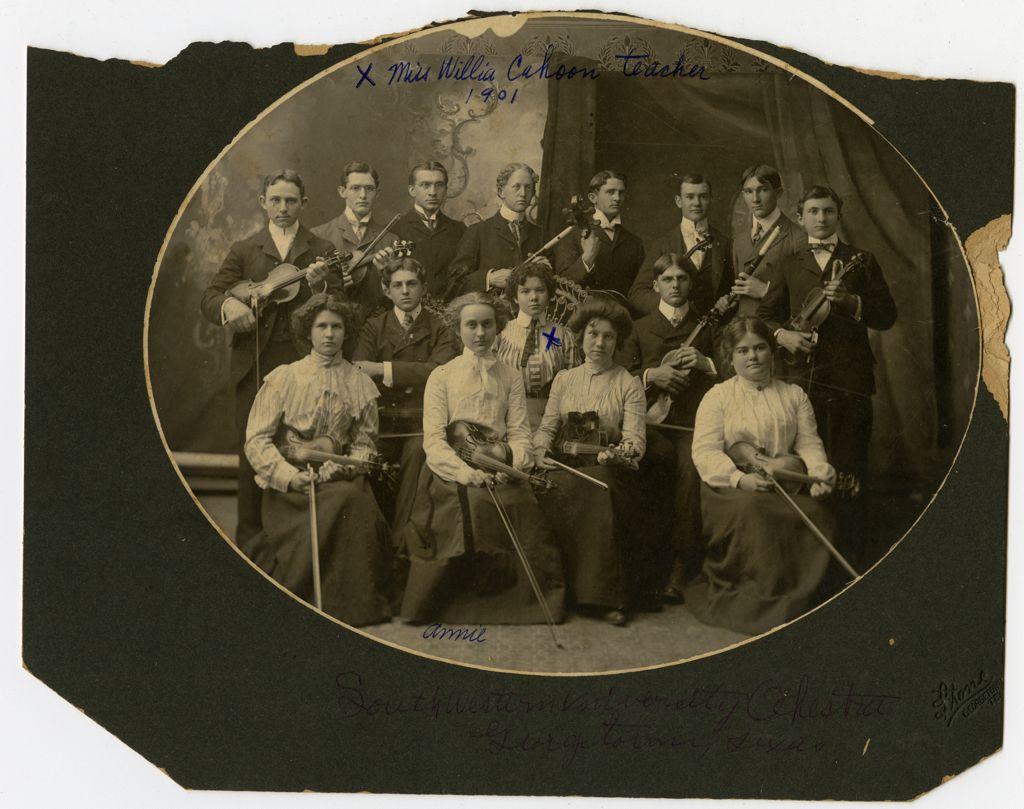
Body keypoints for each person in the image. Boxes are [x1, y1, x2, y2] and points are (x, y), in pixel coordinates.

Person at [399, 292, 566, 625]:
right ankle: (461, 602)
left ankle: (520, 603)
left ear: (498, 327)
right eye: (471, 325)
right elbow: (434, 441)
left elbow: (520, 434)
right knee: (474, 504)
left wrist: (512, 465)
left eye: (487, 325)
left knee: (520, 505)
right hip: (451, 469)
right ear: (457, 328)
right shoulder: (442, 376)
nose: (480, 333)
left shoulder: (510, 375)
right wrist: (465, 473)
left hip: (499, 462)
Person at [199, 169, 339, 547]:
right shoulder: (246, 249)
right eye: (275, 200)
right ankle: (251, 544)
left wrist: (321, 286)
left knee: (302, 447)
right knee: (253, 451)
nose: (283, 207)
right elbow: (210, 296)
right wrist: (230, 305)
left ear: (303, 204)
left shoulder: (322, 248)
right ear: (263, 202)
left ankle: (296, 546)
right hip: (254, 366)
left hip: (303, 364)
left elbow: (340, 305)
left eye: (291, 200)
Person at [756, 184, 896, 547]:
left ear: (839, 215)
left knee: (850, 466)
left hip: (851, 379)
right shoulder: (788, 262)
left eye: (829, 211)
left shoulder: (862, 259)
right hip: (802, 379)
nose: (821, 218)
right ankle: (810, 553)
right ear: (800, 217)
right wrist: (783, 336)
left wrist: (851, 302)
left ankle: (849, 553)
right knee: (806, 463)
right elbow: (764, 316)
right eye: (814, 211)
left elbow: (887, 316)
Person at [243, 294, 392, 627]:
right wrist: (288, 476)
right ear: (307, 332)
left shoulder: (359, 383)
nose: (329, 334)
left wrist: (341, 467)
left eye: (336, 326)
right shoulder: (285, 377)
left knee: (353, 499)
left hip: (339, 477)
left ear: (346, 331)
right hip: (292, 483)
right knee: (341, 501)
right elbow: (257, 440)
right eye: (321, 326)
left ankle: (350, 603)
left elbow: (364, 444)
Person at [686, 317, 837, 636]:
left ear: (772, 352)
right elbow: (705, 452)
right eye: (742, 351)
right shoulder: (718, 397)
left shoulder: (794, 395)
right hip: (728, 488)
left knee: (818, 513)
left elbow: (808, 443)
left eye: (759, 348)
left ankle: (798, 601)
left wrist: (819, 472)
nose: (752, 356)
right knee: (753, 509)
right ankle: (759, 601)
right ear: (730, 358)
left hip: (782, 483)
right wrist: (740, 480)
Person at [533, 298, 647, 626]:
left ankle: (603, 596)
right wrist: (539, 451)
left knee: (600, 489)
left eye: (608, 337)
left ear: (617, 341)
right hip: (563, 464)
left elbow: (635, 439)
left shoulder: (628, 383)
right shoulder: (564, 379)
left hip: (608, 469)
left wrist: (618, 453)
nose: (599, 343)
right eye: (593, 334)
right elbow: (548, 427)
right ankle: (557, 593)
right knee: (543, 487)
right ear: (581, 337)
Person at [623, 253, 718, 605]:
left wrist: (707, 363)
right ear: (656, 285)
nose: (675, 285)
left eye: (681, 279)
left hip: (694, 425)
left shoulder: (708, 327)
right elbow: (619, 376)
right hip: (650, 424)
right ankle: (644, 569)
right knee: (643, 465)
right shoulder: (639, 327)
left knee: (690, 471)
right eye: (667, 279)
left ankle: (680, 565)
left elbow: (732, 370)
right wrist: (651, 375)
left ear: (690, 284)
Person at [351, 256, 457, 535]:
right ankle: (372, 538)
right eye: (397, 285)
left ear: (424, 288)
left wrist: (382, 369)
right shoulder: (374, 326)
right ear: (387, 291)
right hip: (381, 421)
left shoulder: (440, 326)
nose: (405, 291)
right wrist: (412, 373)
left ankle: (402, 539)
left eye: (412, 284)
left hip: (421, 422)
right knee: (365, 462)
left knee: (418, 454)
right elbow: (359, 370)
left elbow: (439, 371)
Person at [628, 173, 733, 317]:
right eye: (689, 197)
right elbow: (637, 295)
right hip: (674, 326)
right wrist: (670, 305)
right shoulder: (662, 245)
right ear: (679, 201)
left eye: (703, 197)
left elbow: (734, 291)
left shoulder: (726, 243)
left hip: (715, 327)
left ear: (711, 199)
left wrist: (727, 300)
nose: (697, 203)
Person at [492, 261, 580, 427]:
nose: (533, 297)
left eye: (540, 290)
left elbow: (573, 383)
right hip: (507, 413)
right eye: (525, 291)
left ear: (550, 295)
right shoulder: (501, 334)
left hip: (551, 415)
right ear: (515, 297)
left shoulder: (562, 335)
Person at [446, 162, 547, 296]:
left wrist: (546, 273)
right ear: (501, 192)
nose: (523, 193)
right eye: (516, 187)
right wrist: (489, 279)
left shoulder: (541, 235)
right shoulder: (477, 232)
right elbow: (454, 282)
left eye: (528, 187)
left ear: (533, 193)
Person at [312, 161, 392, 317]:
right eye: (355, 188)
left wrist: (386, 275)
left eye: (369, 189)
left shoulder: (390, 239)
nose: (363, 195)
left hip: (376, 324)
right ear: (342, 191)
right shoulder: (318, 234)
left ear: (377, 193)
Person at [554, 170, 645, 301]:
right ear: (593, 198)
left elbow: (640, 289)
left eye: (621, 193)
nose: (617, 198)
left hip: (623, 311)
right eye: (610, 192)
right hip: (585, 311)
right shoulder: (571, 235)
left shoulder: (634, 242)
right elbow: (562, 285)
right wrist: (587, 258)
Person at [729, 164, 806, 317]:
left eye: (763, 190)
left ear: (778, 193)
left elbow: (806, 300)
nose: (755, 199)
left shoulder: (798, 237)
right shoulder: (739, 239)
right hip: (742, 327)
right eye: (748, 191)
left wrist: (765, 291)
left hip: (775, 327)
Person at [387, 161, 467, 301]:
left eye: (439, 185)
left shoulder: (459, 229)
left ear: (446, 190)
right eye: (425, 185)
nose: (433, 192)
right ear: (412, 190)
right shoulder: (394, 229)